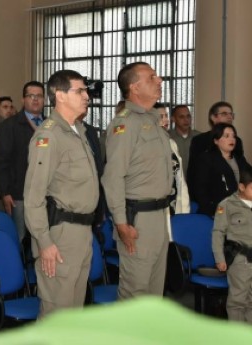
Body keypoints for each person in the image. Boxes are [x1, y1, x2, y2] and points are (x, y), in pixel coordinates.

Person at [24, 70, 98, 317]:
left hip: (82, 232)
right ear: (60, 95)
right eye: (80, 91)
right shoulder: (49, 135)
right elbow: (33, 197)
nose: (86, 96)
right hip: (60, 235)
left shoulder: (78, 131)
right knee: (58, 310)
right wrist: (44, 242)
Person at [101, 62, 172, 300]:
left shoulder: (152, 120)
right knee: (135, 293)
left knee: (154, 293)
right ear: (134, 87)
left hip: (160, 216)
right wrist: (121, 223)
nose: (159, 80)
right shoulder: (126, 124)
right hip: (137, 221)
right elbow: (113, 177)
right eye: (152, 77)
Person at [0, 81, 45, 244]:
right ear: (23, 100)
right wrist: (5, 192)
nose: (35, 100)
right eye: (31, 96)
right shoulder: (10, 125)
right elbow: (1, 161)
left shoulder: (51, 125)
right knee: (20, 239)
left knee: (42, 238)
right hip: (18, 194)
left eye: (39, 96)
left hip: (46, 194)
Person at [213, 166, 252, 323]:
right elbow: (217, 232)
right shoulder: (227, 205)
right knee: (238, 300)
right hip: (240, 260)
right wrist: (219, 258)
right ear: (241, 187)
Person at [187, 101, 244, 198]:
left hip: (235, 196)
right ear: (213, 117)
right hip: (211, 197)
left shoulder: (237, 141)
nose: (229, 117)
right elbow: (194, 172)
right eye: (225, 114)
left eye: (231, 114)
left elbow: (243, 168)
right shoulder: (200, 140)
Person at [192, 123, 250, 217]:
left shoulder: (238, 159)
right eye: (227, 136)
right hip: (215, 211)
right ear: (216, 140)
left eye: (233, 136)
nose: (232, 139)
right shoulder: (206, 159)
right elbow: (201, 189)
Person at [154, 103, 190, 216]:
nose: (166, 120)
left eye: (166, 115)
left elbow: (180, 178)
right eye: (161, 117)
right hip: (153, 205)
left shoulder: (171, 143)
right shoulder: (142, 144)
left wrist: (184, 208)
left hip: (173, 203)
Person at [168, 105, 200, 176]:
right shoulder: (167, 137)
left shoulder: (199, 137)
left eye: (188, 116)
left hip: (195, 182)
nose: (186, 120)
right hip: (174, 181)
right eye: (181, 117)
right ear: (173, 119)